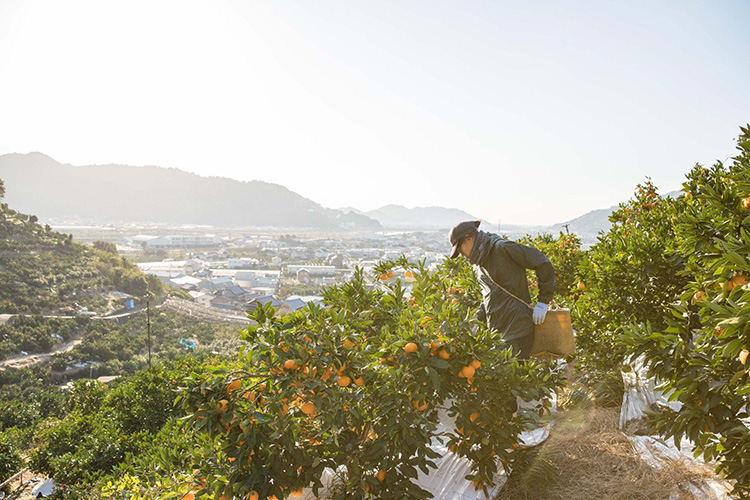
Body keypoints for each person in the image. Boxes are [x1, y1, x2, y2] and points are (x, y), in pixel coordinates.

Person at [448, 220, 556, 359]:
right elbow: (491, 295)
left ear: (469, 239)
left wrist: (543, 301)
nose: (462, 254)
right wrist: (478, 317)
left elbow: (542, 263)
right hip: (498, 332)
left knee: (515, 376)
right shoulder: (479, 265)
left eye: (459, 249)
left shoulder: (501, 248)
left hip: (518, 328)